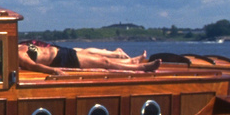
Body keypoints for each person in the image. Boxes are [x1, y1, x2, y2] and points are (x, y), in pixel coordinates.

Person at [18, 40, 160, 74]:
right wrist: (53, 71)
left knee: (97, 56)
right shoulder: (17, 54)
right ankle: (142, 67)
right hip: (61, 60)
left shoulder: (19, 45)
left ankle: (132, 61)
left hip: (62, 52)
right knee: (104, 62)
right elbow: (33, 66)